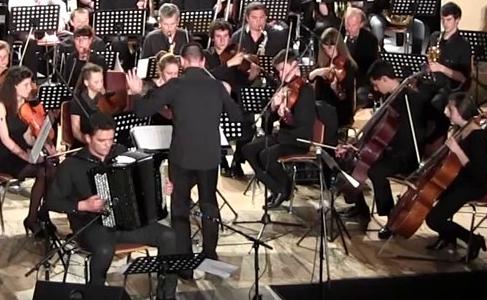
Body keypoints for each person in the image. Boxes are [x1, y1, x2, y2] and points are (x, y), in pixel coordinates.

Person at [46, 112, 188, 300]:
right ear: (87, 138)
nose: (107, 144)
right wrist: (83, 205)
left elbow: (143, 181)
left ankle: (166, 298)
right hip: (91, 225)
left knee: (169, 236)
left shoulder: (121, 154)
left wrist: (160, 189)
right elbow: (51, 201)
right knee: (104, 249)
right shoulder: (71, 165)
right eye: (101, 140)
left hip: (126, 222)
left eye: (111, 139)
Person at [129, 44, 244, 261]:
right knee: (208, 203)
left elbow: (143, 110)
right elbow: (237, 116)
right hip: (209, 156)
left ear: (182, 62)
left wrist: (136, 94)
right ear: (203, 62)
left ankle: (184, 263)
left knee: (180, 208)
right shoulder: (216, 86)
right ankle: (210, 254)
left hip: (181, 157)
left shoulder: (175, 85)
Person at [342, 61, 427, 233]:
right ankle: (361, 209)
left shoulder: (410, 98)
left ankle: (391, 217)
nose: (375, 89)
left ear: (385, 79)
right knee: (352, 160)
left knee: (376, 170)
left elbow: (406, 132)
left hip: (406, 155)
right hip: (391, 150)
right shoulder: (392, 98)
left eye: (376, 84)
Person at [0, 67, 56, 237]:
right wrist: (26, 155)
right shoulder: (0, 106)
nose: (31, 88)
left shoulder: (26, 105)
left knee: (50, 168)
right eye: (26, 84)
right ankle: (35, 218)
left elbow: (27, 137)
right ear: (14, 86)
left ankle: (39, 214)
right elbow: (5, 139)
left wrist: (41, 146)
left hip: (22, 151)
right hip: (5, 156)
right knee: (44, 170)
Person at [240, 50, 317, 209]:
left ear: (295, 66)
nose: (280, 74)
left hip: (298, 138)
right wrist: (274, 108)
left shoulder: (306, 90)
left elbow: (302, 123)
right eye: (279, 70)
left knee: (266, 155)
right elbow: (269, 122)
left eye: (283, 69)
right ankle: (279, 188)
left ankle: (282, 188)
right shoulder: (285, 88)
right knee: (248, 149)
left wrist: (287, 115)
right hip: (282, 135)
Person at [420, 92, 487, 261]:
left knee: (433, 220)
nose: (445, 112)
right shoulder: (461, 130)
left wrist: (457, 151)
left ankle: (473, 239)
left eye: (450, 109)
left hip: (475, 185)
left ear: (461, 111)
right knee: (432, 197)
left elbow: (481, 174)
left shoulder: (478, 136)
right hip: (459, 180)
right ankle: (448, 238)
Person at [418, 2, 472, 141]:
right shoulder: (435, 37)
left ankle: (435, 140)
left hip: (449, 87)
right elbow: (427, 60)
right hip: (431, 82)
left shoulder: (463, 45)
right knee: (414, 98)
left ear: (457, 20)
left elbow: (463, 78)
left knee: (436, 103)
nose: (445, 24)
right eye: (443, 19)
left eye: (448, 20)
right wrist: (427, 67)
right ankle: (418, 138)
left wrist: (442, 68)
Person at [307, 28, 357, 128]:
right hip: (322, 107)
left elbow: (344, 97)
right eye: (325, 49)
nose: (328, 52)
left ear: (338, 46)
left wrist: (335, 89)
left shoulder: (348, 66)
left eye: (330, 48)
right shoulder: (324, 62)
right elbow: (309, 78)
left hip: (339, 110)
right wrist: (316, 72)